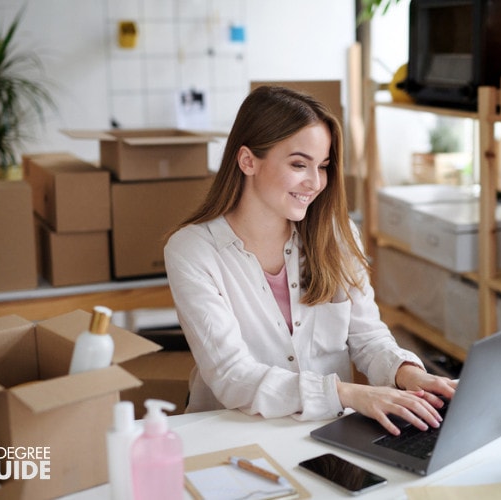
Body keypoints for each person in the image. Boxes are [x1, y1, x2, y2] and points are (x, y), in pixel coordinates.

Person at [164, 85, 457, 435]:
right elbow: (232, 376)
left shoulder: (336, 233)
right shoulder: (193, 250)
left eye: (323, 166)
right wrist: (348, 394)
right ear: (248, 161)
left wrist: (410, 375)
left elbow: (367, 337)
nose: (315, 182)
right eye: (299, 164)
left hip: (326, 432)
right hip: (232, 432)